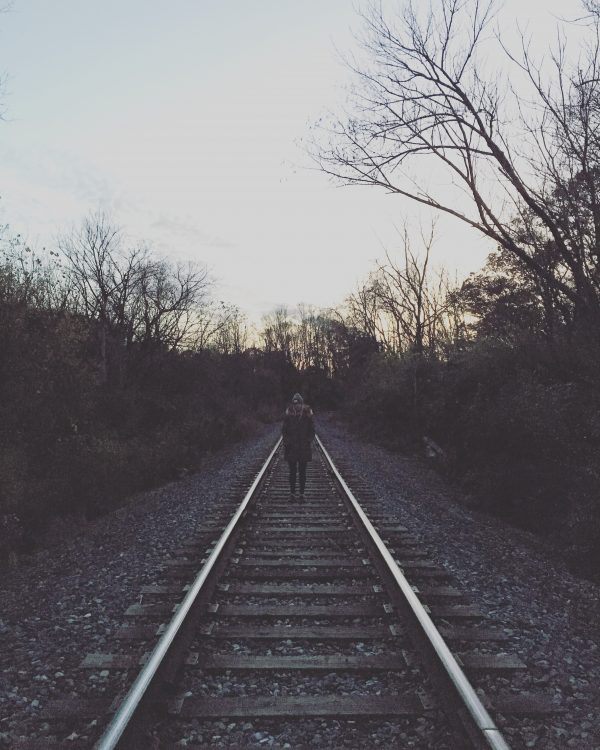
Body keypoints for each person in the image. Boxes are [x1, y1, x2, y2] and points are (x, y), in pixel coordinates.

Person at [282, 392, 315, 501]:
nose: (296, 405)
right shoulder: (288, 415)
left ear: (302, 404)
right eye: (294, 403)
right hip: (291, 449)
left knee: (302, 472)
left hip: (303, 448)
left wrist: (308, 441)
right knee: (292, 472)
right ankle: (292, 494)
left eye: (298, 403)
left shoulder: (307, 415)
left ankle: (301, 494)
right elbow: (284, 431)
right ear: (292, 404)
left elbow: (312, 431)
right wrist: (287, 442)